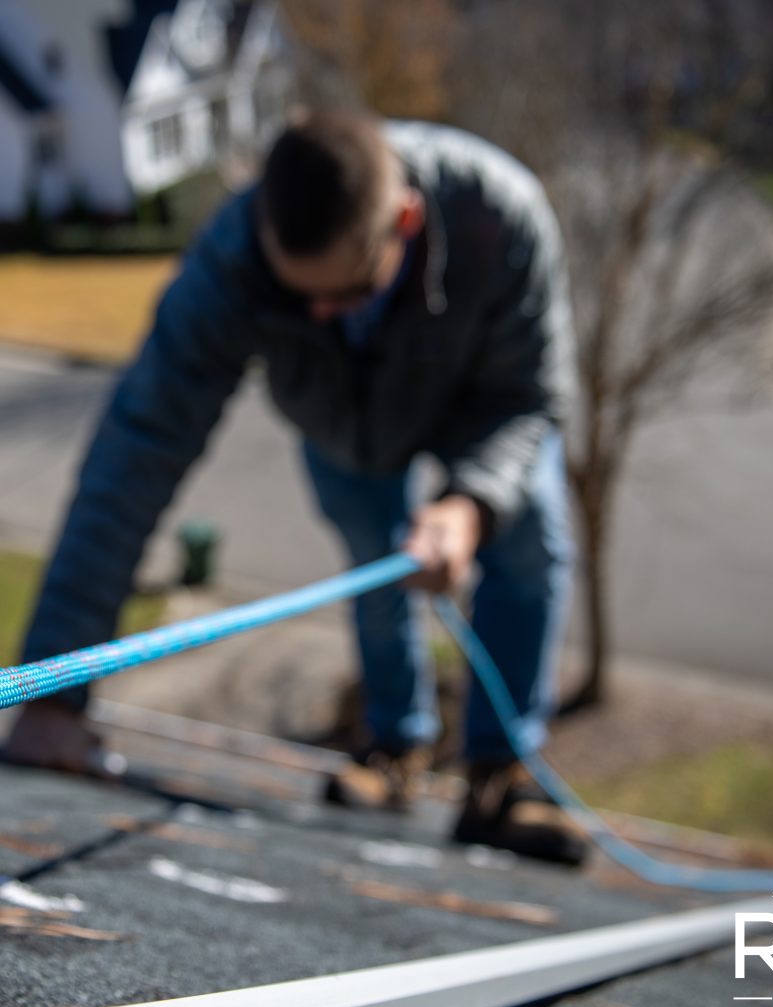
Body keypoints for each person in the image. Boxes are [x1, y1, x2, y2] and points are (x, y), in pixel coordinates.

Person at [3, 110, 583, 865]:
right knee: (377, 557)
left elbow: (534, 398)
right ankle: (393, 745)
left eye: (345, 295)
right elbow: (136, 452)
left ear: (404, 223)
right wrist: (53, 693)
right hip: (346, 430)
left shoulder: (501, 215)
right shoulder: (233, 254)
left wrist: (471, 505)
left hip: (483, 407)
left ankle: (501, 774)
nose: (321, 315)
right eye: (298, 295)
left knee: (530, 537)